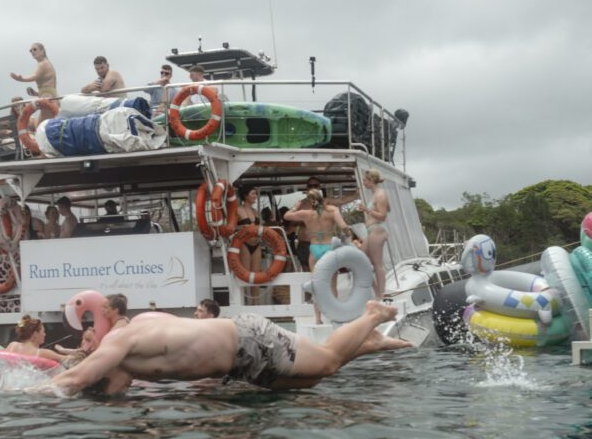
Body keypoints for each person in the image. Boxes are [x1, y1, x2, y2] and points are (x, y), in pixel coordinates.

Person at [41, 301, 411, 397]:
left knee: (328, 363)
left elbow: (74, 379)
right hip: (239, 361)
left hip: (247, 341)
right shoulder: (136, 339)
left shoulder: (118, 345)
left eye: (113, 391)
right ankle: (368, 344)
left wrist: (27, 393)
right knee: (311, 382)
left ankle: (372, 317)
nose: (122, 392)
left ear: (107, 373)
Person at [284, 186, 352, 323]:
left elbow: (286, 216)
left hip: (315, 248)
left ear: (310, 201)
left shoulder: (306, 213)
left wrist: (295, 206)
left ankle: (318, 319)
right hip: (329, 248)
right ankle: (334, 316)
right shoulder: (332, 210)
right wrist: (349, 234)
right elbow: (343, 226)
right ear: (322, 199)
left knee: (316, 284)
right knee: (332, 284)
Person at [358, 168, 390, 299]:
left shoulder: (380, 194)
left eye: (365, 181)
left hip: (378, 230)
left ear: (371, 180)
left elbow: (383, 216)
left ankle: (381, 295)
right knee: (360, 259)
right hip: (372, 230)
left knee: (377, 264)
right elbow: (388, 208)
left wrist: (367, 210)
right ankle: (378, 292)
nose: (363, 183)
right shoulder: (377, 194)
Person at [9, 43, 57, 123]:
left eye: (35, 49)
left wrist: (20, 79)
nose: (32, 52)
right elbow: (48, 85)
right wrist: (36, 93)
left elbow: (34, 76)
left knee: (43, 125)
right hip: (48, 95)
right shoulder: (45, 63)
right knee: (40, 125)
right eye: (30, 51)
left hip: (47, 97)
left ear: (42, 51)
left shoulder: (43, 64)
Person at [237, 186, 263, 305]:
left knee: (256, 276)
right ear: (246, 195)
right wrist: (240, 228)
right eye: (253, 194)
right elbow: (230, 227)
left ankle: (256, 304)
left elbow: (262, 227)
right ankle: (246, 304)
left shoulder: (256, 212)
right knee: (246, 275)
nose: (255, 196)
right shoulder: (238, 210)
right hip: (244, 244)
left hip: (256, 244)